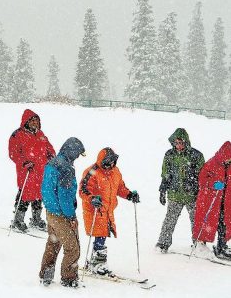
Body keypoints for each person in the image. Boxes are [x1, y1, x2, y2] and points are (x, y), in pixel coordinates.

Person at [79, 147, 140, 275]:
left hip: (107, 211)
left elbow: (120, 188)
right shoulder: (92, 172)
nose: (111, 165)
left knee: (102, 236)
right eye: (108, 162)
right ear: (102, 161)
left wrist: (129, 195)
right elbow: (83, 190)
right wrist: (92, 198)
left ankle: (93, 262)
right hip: (94, 210)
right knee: (100, 236)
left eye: (113, 161)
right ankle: (98, 264)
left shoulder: (115, 172)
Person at [39, 137, 85, 288]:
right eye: (77, 153)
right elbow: (65, 196)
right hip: (61, 215)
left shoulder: (52, 163)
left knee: (53, 243)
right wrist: (71, 216)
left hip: (50, 211)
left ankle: (46, 274)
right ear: (71, 151)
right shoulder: (66, 168)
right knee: (73, 248)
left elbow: (46, 188)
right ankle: (69, 278)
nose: (78, 157)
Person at [156, 128, 205, 253]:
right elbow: (165, 173)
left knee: (196, 220)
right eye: (176, 143)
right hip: (174, 194)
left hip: (192, 195)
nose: (179, 145)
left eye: (181, 143)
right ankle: (163, 243)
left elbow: (203, 175)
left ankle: (199, 244)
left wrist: (194, 184)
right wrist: (162, 190)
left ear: (186, 142)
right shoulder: (169, 155)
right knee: (170, 219)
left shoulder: (196, 155)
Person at [9, 109, 55, 232]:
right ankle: (18, 220)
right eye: (32, 120)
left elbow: (49, 148)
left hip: (41, 171)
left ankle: (36, 219)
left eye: (37, 121)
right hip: (27, 171)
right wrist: (24, 162)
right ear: (26, 121)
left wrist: (52, 156)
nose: (35, 123)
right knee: (24, 195)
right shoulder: (17, 135)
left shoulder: (41, 134)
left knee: (39, 196)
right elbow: (13, 153)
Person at [193, 141, 231, 260]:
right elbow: (201, 180)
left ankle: (222, 246)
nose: (229, 161)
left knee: (225, 225)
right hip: (213, 201)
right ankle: (201, 245)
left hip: (227, 202)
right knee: (208, 223)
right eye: (228, 158)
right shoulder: (211, 163)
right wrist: (213, 184)